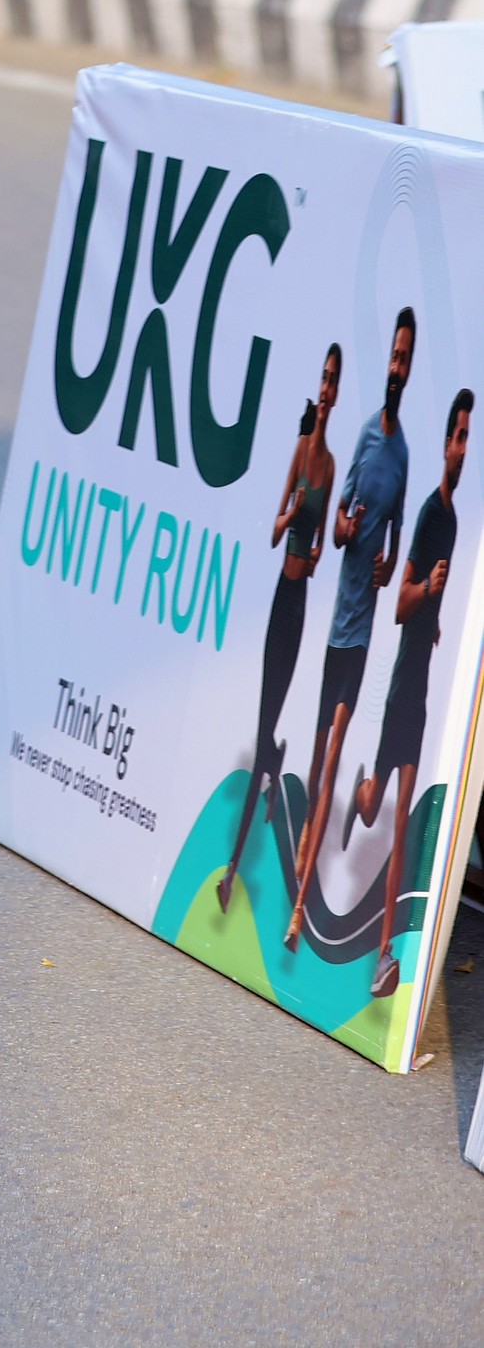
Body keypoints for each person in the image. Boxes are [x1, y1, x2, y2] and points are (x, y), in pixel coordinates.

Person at [285, 308, 416, 951]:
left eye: (404, 360)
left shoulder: (405, 455)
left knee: (333, 756)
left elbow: (394, 548)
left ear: (410, 373)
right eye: (393, 356)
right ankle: (305, 857)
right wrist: (342, 529)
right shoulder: (365, 437)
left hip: (361, 636)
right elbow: (338, 527)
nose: (396, 368)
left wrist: (388, 565)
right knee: (317, 761)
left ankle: (297, 911)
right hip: (336, 623)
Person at [347, 386, 467, 996]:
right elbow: (400, 604)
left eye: (469, 438)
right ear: (445, 444)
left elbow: (423, 609)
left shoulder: (456, 519)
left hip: (419, 697)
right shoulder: (429, 515)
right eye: (457, 437)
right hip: (401, 690)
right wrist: (428, 593)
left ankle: (385, 956)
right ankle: (360, 793)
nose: (463, 448)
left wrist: (437, 617)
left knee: (398, 826)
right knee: (376, 809)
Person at [216, 346, 342, 914]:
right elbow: (274, 532)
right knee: (262, 721)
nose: (326, 388)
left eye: (333, 380)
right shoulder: (300, 450)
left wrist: (316, 550)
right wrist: (292, 512)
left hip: (301, 603)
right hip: (279, 598)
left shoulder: (330, 466)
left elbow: (320, 552)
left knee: (272, 714)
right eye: (323, 378)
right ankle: (232, 868)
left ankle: (271, 759)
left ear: (338, 392)